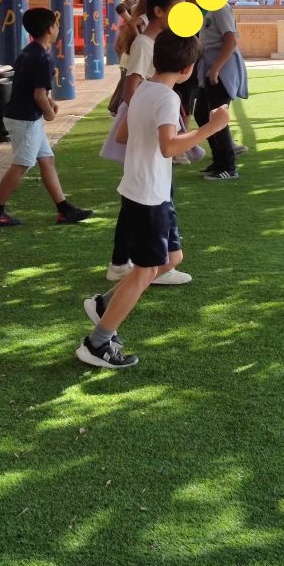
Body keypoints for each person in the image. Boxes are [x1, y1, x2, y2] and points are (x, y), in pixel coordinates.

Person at [77, 31, 230, 369]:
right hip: (147, 196)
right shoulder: (167, 98)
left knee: (172, 258)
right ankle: (97, 342)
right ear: (188, 69)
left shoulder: (145, 89)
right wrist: (212, 127)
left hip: (148, 191)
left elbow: (123, 134)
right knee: (145, 272)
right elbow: (169, 147)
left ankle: (105, 304)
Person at [107, 0, 193, 285]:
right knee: (146, 201)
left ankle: (140, 264)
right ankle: (140, 265)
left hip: (149, 132)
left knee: (140, 201)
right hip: (147, 132)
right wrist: (150, 118)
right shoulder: (146, 44)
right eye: (175, 9)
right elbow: (133, 87)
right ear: (158, 11)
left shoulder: (162, 43)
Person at [0, 8, 93, 227]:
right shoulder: (43, 58)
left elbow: (32, 87)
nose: (58, 28)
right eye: (56, 24)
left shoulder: (29, 52)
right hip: (25, 120)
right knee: (21, 165)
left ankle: (64, 210)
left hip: (25, 117)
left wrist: (49, 103)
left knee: (46, 160)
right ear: (50, 29)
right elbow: (38, 95)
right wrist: (50, 113)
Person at [184, 0, 249, 181]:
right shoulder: (208, 8)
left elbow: (231, 40)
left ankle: (229, 166)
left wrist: (216, 68)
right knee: (203, 114)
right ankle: (219, 160)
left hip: (222, 70)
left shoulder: (220, 8)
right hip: (210, 68)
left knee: (216, 116)